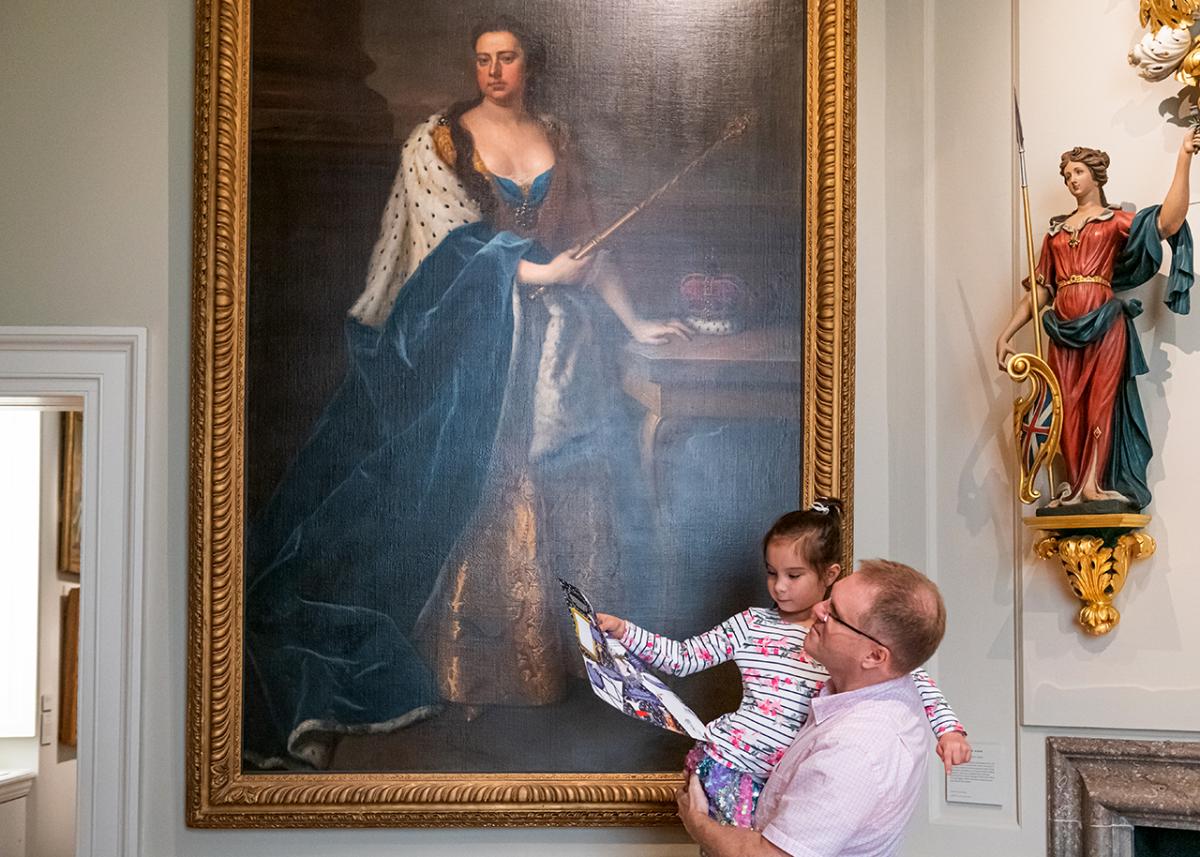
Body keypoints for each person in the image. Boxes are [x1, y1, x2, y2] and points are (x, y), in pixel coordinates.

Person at [242, 16, 687, 769]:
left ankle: (566, 661)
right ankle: (473, 666)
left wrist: (638, 321)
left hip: (559, 357)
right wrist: (540, 275)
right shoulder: (437, 143)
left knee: (572, 484)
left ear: (529, 64)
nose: (492, 71)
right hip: (473, 349)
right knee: (480, 484)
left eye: (506, 57)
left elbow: (588, 244)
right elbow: (447, 255)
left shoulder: (560, 139)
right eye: (482, 59)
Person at [597, 502, 970, 828]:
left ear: (830, 574)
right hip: (730, 763)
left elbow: (914, 680)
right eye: (772, 573)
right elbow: (683, 658)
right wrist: (625, 631)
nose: (779, 587)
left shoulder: (843, 641)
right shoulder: (750, 625)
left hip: (784, 779)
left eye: (794, 576)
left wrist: (950, 732)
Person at [676, 559, 949, 857]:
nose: (818, 609)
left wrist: (697, 822)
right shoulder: (887, 686)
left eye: (835, 614)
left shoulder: (856, 748)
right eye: (829, 599)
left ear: (874, 655)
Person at [995, 132, 1197, 508]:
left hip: (1105, 322)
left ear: (1096, 175)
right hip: (1061, 327)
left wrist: (1184, 157)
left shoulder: (1113, 221)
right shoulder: (1055, 233)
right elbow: (1041, 291)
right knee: (1066, 404)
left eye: (1077, 172)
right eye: (1067, 175)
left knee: (1100, 402)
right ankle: (1073, 486)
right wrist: (1007, 332)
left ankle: (1092, 484)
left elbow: (1167, 223)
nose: (1071, 180)